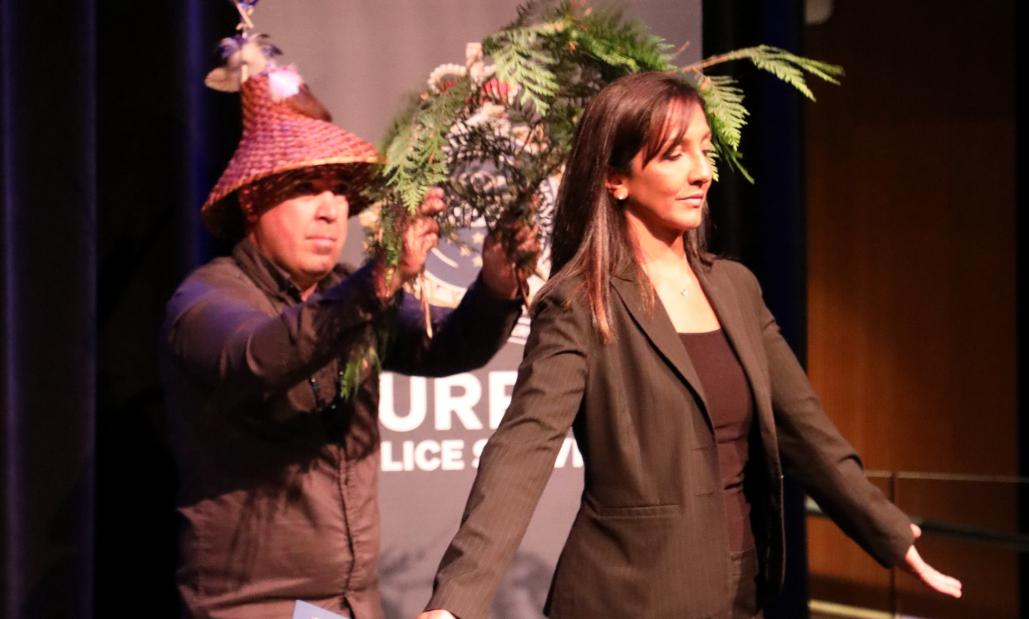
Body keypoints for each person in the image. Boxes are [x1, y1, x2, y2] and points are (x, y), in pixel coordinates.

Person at [417, 72, 962, 619]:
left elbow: (806, 431)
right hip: (630, 598)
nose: (702, 171)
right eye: (674, 155)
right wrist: (454, 602)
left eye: (704, 149)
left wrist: (887, 531)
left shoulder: (735, 288)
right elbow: (522, 451)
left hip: (740, 593)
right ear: (615, 178)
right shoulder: (581, 304)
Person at [161, 64, 534, 619]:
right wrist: (380, 280)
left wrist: (498, 286)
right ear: (252, 203)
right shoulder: (205, 301)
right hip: (249, 607)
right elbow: (260, 356)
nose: (330, 209)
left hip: (350, 606)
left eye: (339, 191)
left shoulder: (347, 288)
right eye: (306, 189)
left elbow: (446, 347)